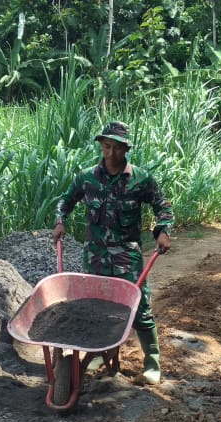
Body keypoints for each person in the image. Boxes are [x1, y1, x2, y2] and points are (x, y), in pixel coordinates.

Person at [52, 121, 174, 384]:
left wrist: (163, 230)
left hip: (126, 256)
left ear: (126, 149)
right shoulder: (86, 178)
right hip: (94, 255)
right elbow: (65, 201)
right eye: (106, 146)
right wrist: (60, 221)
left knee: (138, 308)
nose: (110, 154)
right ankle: (98, 353)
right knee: (96, 308)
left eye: (117, 148)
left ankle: (152, 362)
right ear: (101, 146)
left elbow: (161, 205)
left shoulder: (140, 179)